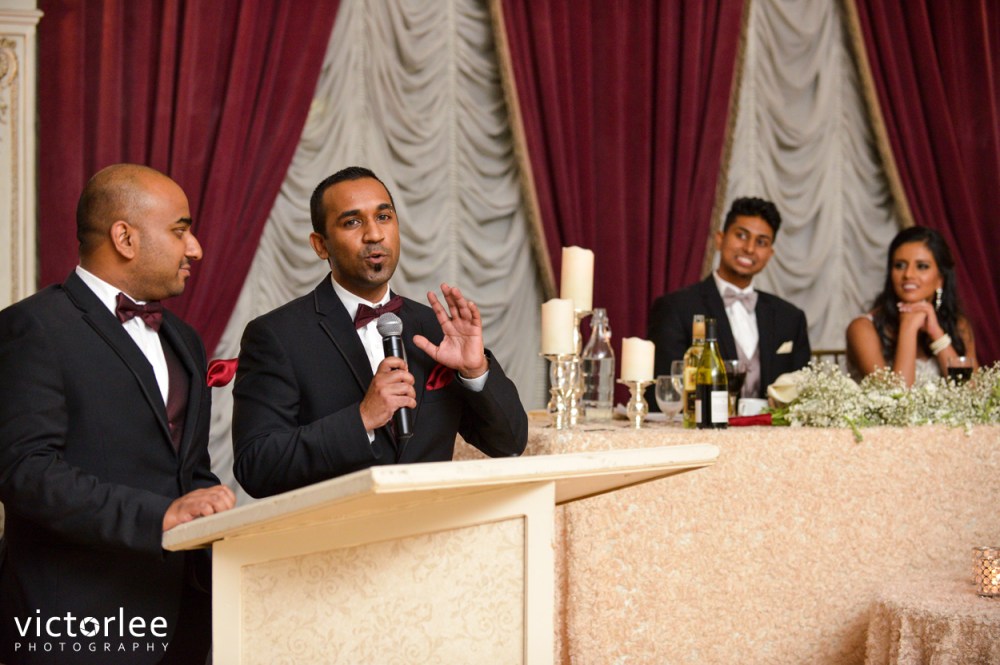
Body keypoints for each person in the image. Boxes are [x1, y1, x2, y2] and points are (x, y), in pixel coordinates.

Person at [0, 164, 236, 665]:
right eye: (180, 230)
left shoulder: (185, 339)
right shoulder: (33, 327)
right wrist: (160, 517)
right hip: (75, 626)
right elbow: (26, 473)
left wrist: (213, 508)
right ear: (125, 238)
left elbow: (185, 469)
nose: (195, 249)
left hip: (182, 622)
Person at [232, 166, 528, 498]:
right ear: (320, 245)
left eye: (384, 217)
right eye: (352, 222)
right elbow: (256, 467)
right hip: (338, 528)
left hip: (432, 526)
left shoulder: (436, 328)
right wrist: (360, 420)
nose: (374, 234)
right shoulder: (276, 335)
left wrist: (475, 371)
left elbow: (509, 444)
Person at [647, 197, 811, 401]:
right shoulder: (676, 308)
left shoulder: (790, 317)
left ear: (770, 254)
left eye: (761, 242)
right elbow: (666, 393)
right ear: (720, 239)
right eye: (741, 235)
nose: (749, 248)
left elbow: (803, 396)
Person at [846, 226, 976, 386]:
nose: (908, 274)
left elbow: (971, 393)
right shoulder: (862, 329)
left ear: (940, 279)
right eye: (899, 265)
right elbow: (895, 396)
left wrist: (937, 334)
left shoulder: (958, 326)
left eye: (922, 266)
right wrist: (908, 327)